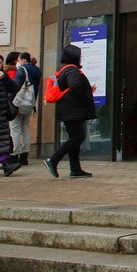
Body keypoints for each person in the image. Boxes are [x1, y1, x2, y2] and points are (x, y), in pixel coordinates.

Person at [43, 44, 97, 179]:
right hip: (74, 110)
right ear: (74, 56)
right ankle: (53, 160)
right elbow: (75, 86)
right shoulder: (72, 70)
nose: (81, 58)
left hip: (69, 110)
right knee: (78, 137)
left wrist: (87, 90)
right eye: (80, 56)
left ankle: (75, 169)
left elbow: (72, 87)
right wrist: (85, 98)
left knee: (75, 138)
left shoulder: (64, 69)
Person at [9, 51, 40, 165]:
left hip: (19, 103)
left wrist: (9, 100)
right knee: (25, 128)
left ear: (23, 60)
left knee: (15, 129)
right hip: (29, 103)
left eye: (19, 60)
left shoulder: (23, 70)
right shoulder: (37, 70)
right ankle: (24, 155)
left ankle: (14, 154)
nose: (18, 62)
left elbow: (15, 86)